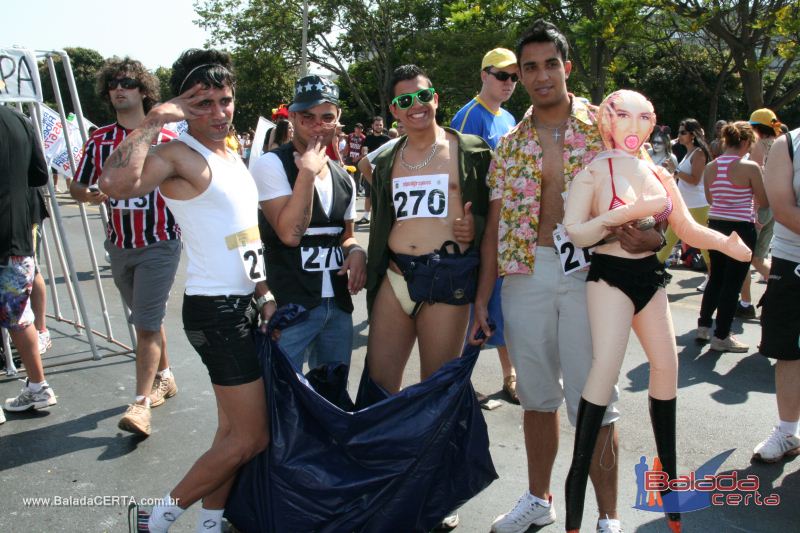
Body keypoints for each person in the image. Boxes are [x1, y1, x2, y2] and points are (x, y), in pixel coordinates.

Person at [468, 21, 657, 533]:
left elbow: (652, 195)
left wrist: (656, 236)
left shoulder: (609, 123)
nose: (540, 75)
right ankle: (538, 498)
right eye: (529, 67)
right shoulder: (508, 144)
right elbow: (494, 230)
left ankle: (608, 516)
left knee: (597, 401)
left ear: (566, 67)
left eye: (550, 63)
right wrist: (484, 299)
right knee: (536, 396)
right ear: (521, 75)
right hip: (525, 271)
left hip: (595, 273)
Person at [99, 49, 274, 533]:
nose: (218, 113)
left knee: (230, 433)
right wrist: (154, 121)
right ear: (179, 106)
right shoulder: (176, 153)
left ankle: (210, 522)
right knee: (250, 439)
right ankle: (155, 520)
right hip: (215, 310)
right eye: (202, 104)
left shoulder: (231, 153)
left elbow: (243, 235)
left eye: (225, 101)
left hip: (244, 305)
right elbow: (113, 184)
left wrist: (263, 292)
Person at [561, 89, 751, 533]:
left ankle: (668, 490)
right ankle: (575, 492)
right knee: (603, 372)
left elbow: (685, 227)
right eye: (623, 116)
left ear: (652, 122)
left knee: (667, 367)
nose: (633, 125)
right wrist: (627, 214)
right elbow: (576, 233)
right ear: (607, 119)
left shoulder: (656, 171)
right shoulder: (593, 170)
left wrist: (724, 243)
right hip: (608, 278)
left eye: (643, 117)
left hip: (650, 279)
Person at [70, 57, 181, 437]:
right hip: (119, 244)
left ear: (143, 89)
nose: (120, 88)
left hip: (160, 243)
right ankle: (165, 376)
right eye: (113, 83)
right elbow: (78, 186)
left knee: (145, 323)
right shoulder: (99, 139)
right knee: (146, 316)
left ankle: (140, 403)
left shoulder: (169, 139)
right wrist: (92, 195)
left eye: (128, 82)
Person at [250, 74, 365, 372]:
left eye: (326, 117)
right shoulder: (272, 164)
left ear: (338, 117)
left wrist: (356, 252)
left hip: (337, 308)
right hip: (291, 307)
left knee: (331, 395)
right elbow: (289, 234)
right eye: (307, 116)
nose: (317, 124)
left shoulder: (344, 179)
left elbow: (346, 236)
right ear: (292, 117)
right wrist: (307, 174)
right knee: (282, 395)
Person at [451, 46, 519, 403]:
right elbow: (455, 176)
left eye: (514, 77)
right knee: (473, 308)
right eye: (501, 75)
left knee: (502, 306)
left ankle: (510, 378)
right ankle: (458, 381)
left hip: (505, 229)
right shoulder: (468, 116)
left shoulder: (508, 119)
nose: (509, 83)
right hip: (477, 232)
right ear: (484, 75)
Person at [1, 104, 57, 418]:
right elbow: (39, 174)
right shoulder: (20, 120)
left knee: (17, 316)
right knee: (18, 316)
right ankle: (38, 386)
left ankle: (38, 388)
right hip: (17, 236)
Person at [752, 124, 800, 462]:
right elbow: (782, 208)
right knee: (789, 351)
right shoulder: (789, 142)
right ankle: (787, 431)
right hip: (793, 261)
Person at [697, 121, 767, 352]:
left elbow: (709, 199)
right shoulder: (750, 168)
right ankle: (722, 336)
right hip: (740, 228)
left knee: (716, 277)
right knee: (732, 283)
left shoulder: (710, 167)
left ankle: (704, 326)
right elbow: (764, 200)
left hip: (715, 225)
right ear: (746, 142)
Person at [656, 118, 712, 288]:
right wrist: (673, 172)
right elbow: (683, 178)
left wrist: (676, 171)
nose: (679, 136)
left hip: (698, 206)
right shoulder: (689, 153)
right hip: (685, 204)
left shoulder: (699, 153)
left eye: (683, 132)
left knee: (704, 244)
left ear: (692, 135)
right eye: (679, 132)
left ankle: (713, 276)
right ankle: (652, 269)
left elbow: (695, 180)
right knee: (669, 239)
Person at [737, 108, 782, 318]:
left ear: (757, 128)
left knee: (746, 257)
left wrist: (753, 212)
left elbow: (756, 181)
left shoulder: (759, 147)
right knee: (758, 257)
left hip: (760, 207)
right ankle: (782, 289)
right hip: (776, 205)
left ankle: (745, 304)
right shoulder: (780, 145)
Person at [356, 116, 391, 225]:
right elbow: (365, 153)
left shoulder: (387, 139)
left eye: (380, 125)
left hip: (382, 171)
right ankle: (366, 216)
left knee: (383, 194)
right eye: (376, 125)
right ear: (372, 126)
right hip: (369, 170)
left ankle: (383, 216)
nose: (379, 127)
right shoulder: (368, 138)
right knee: (368, 194)